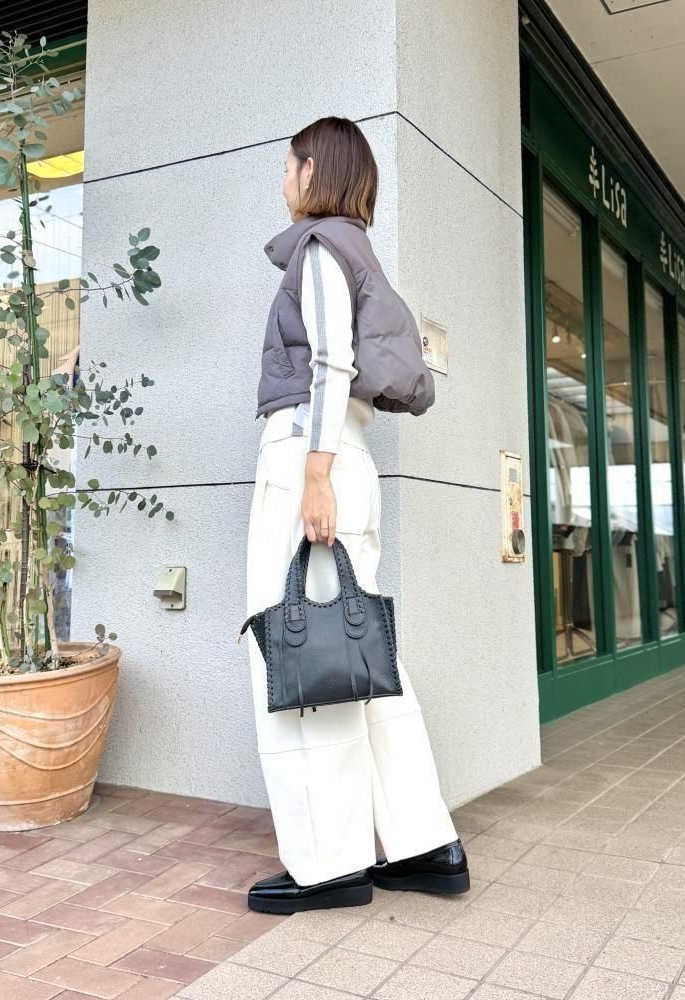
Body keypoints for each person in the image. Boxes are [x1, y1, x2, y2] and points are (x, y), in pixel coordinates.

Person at [245, 116, 468, 914]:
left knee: (301, 658)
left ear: (314, 171)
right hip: (347, 459)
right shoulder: (356, 251)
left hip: (312, 462)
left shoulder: (318, 250)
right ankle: (424, 845)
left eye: (289, 165)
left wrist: (313, 476)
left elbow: (331, 364)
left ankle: (328, 863)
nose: (283, 179)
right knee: (361, 656)